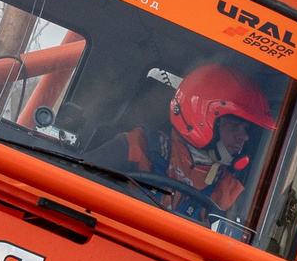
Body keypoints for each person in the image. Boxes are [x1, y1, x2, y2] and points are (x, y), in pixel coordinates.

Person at [102, 59, 279, 226]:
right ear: (201, 118)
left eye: (246, 129)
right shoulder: (137, 146)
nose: (244, 137)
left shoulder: (228, 193)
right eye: (234, 126)